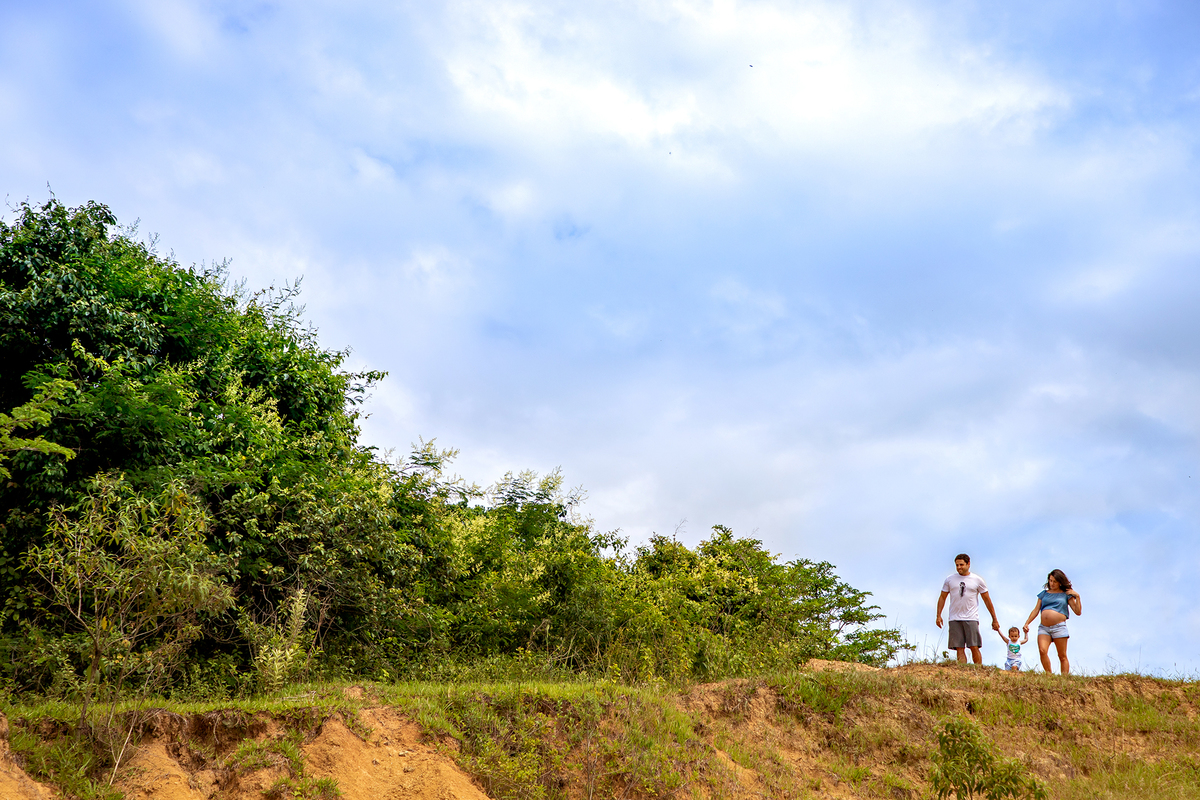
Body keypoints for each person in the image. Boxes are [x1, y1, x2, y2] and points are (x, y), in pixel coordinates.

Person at [935, 554, 1001, 664]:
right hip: (954, 618)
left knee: (974, 646)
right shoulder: (949, 579)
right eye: (957, 565)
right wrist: (938, 615)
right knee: (959, 647)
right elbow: (942, 597)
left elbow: (987, 600)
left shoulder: (977, 580)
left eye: (961, 564)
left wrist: (994, 619)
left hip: (971, 617)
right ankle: (963, 671)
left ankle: (979, 670)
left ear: (968, 564)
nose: (959, 567)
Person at [1023, 569, 1082, 674]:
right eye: (1050, 580)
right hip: (1044, 628)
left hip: (1059, 627)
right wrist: (1027, 623)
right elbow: (1036, 609)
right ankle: (1049, 675)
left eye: (1055, 581)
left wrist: (1077, 596)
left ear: (1060, 582)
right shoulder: (1044, 594)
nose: (1052, 583)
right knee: (1042, 651)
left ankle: (1064, 680)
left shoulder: (1066, 594)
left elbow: (1078, 612)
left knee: (1062, 655)